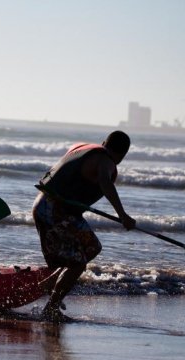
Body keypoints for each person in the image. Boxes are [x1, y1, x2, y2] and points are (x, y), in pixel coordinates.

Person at [33, 130, 136, 322]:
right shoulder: (106, 161)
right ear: (123, 154)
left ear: (104, 142)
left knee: (92, 247)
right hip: (55, 211)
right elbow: (106, 183)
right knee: (78, 263)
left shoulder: (83, 148)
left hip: (45, 205)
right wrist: (122, 215)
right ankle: (51, 307)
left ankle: (50, 284)